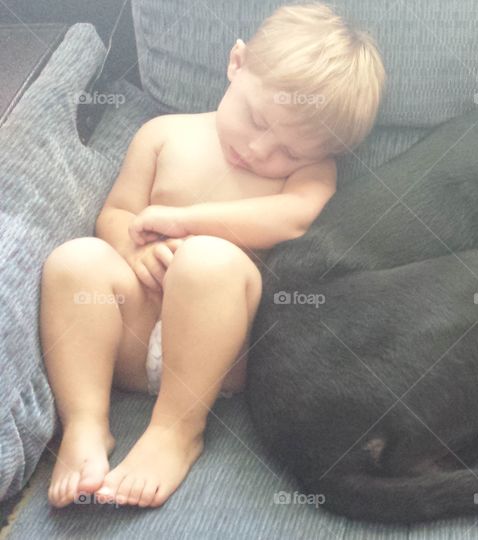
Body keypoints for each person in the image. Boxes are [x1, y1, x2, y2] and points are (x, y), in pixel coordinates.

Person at [40, 3, 384, 508]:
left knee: (208, 260)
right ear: (236, 63)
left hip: (222, 360)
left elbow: (295, 217)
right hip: (132, 339)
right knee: (74, 261)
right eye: (255, 118)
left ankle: (176, 431)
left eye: (290, 151)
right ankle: (86, 426)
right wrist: (132, 250)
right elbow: (117, 213)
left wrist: (186, 221)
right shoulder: (163, 134)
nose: (261, 150)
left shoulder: (309, 175)